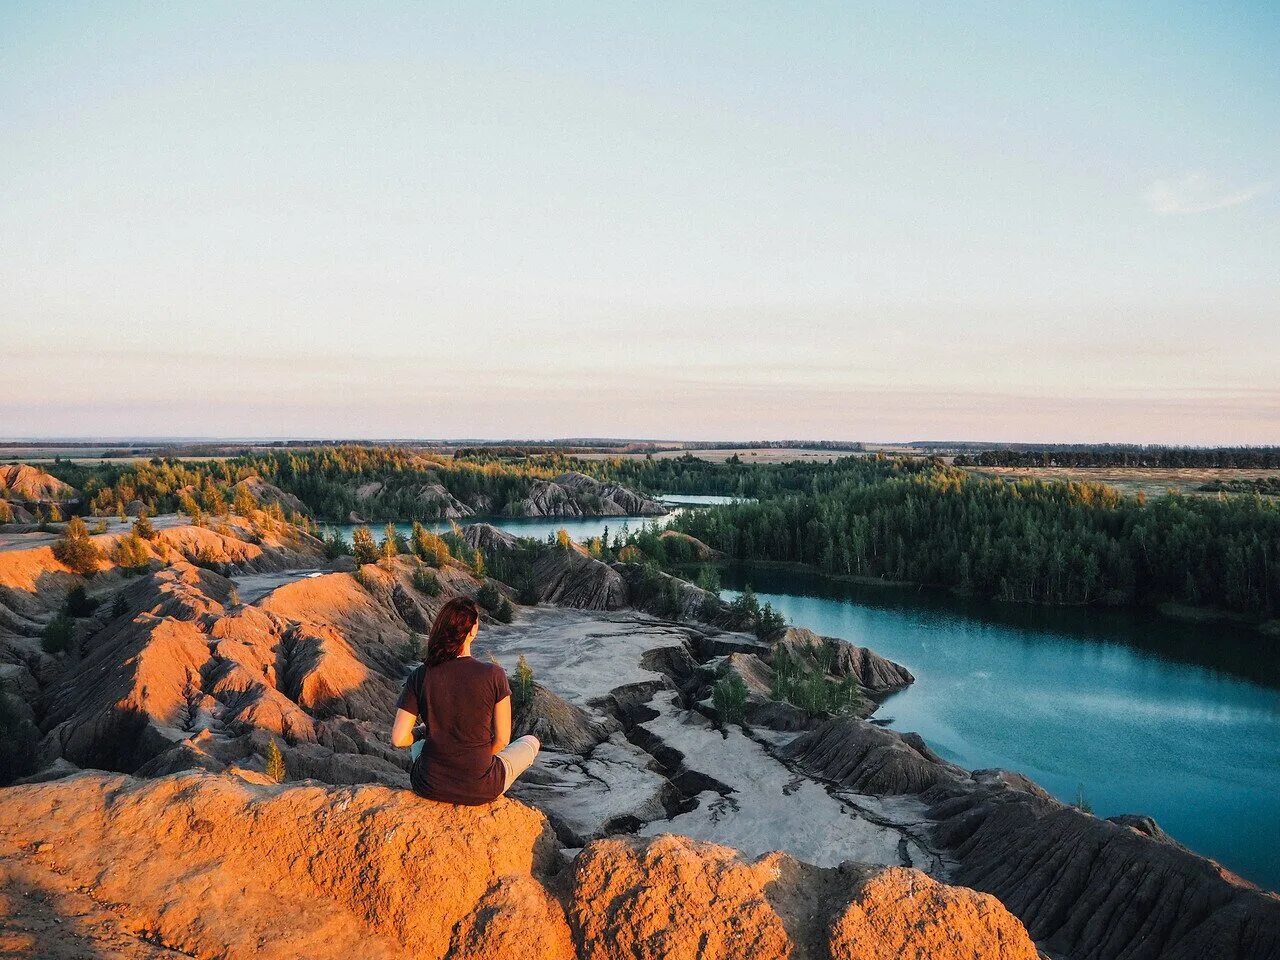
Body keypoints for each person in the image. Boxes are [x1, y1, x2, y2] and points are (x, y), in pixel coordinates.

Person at [390, 596, 540, 804]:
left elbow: (398, 739)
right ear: (473, 631)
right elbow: (502, 740)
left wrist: (421, 733)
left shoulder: (420, 675)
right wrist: (473, 762)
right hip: (481, 787)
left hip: (429, 785)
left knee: (419, 746)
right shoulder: (494, 674)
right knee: (531, 742)